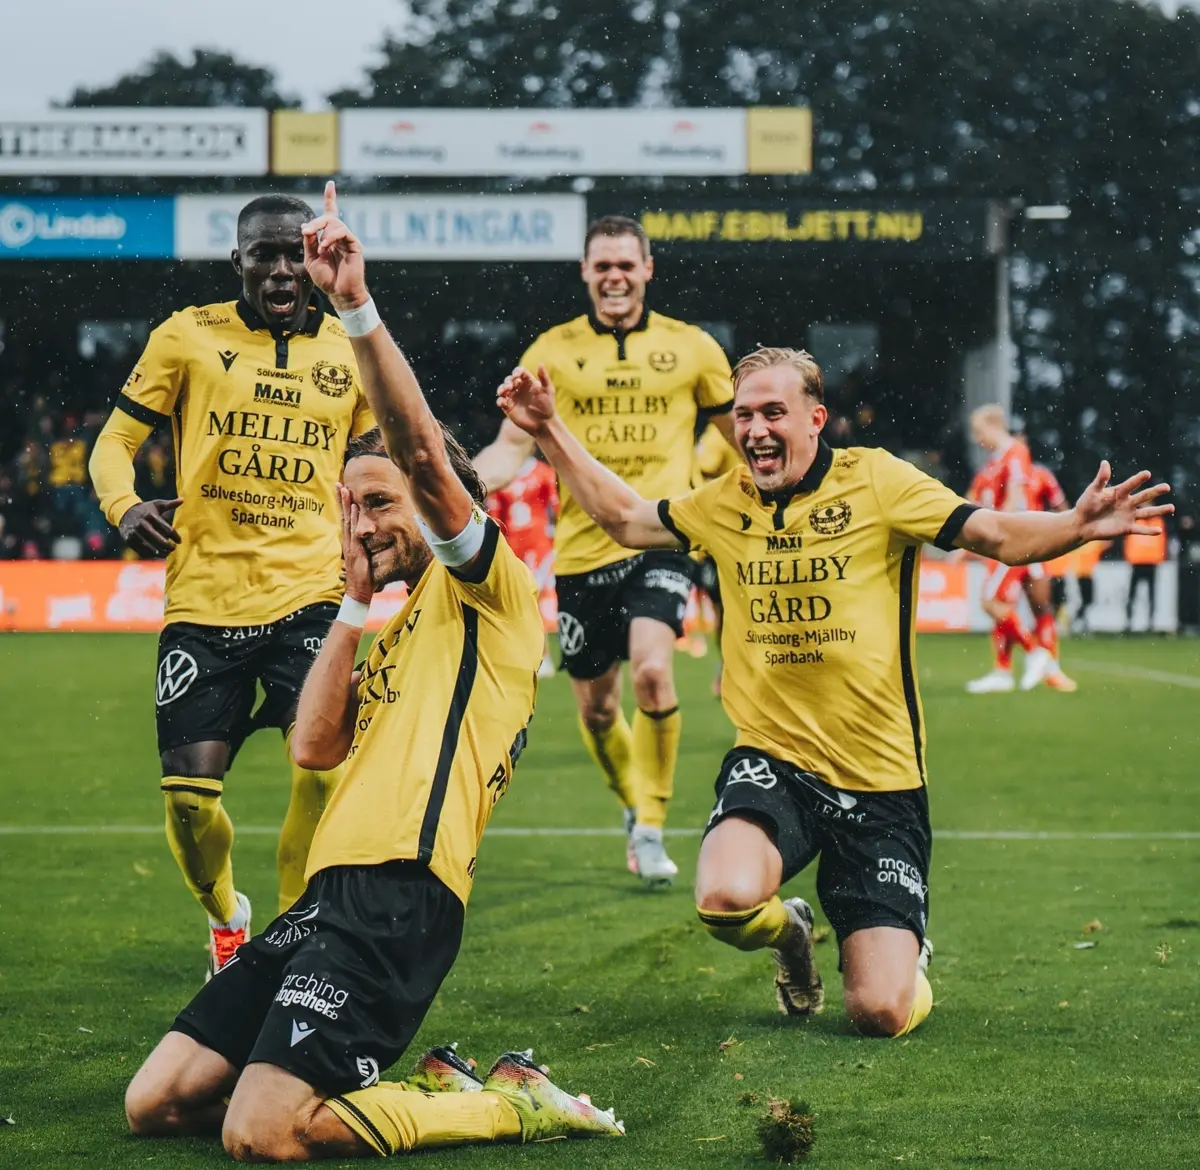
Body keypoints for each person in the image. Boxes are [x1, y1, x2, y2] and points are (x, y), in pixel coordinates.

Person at [123, 183, 623, 1162]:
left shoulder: (489, 593)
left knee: (260, 1136)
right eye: (351, 507)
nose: (364, 521)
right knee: (158, 1104)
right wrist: (351, 602)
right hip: (322, 900)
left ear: (440, 503)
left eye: (381, 501)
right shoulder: (389, 631)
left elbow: (426, 460)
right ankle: (425, 1082)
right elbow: (313, 746)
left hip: (400, 896)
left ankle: (506, 1102)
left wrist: (354, 307)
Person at [496, 347, 1170, 1037]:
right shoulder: (724, 501)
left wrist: (1076, 527)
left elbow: (991, 532)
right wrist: (549, 429)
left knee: (880, 1012)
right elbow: (625, 518)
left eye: (773, 413)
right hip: (774, 761)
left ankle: (905, 960)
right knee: (725, 901)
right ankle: (790, 934)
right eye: (744, 414)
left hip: (881, 783)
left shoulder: (879, 482)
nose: (754, 429)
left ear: (816, 419)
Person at [89, 194, 376, 976]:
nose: (280, 270)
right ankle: (227, 917)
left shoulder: (351, 349)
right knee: (188, 802)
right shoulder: (187, 334)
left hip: (311, 595)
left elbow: (380, 460)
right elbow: (114, 442)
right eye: (263, 255)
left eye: (293, 254)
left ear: (312, 264)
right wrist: (125, 505)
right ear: (238, 263)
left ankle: (286, 944)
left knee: (324, 769)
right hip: (204, 604)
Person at [474, 215, 736, 886]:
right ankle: (633, 806)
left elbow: (745, 436)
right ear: (586, 272)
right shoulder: (551, 352)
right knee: (596, 706)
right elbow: (512, 445)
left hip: (661, 535)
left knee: (653, 672)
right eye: (603, 265)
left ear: (648, 269)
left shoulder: (694, 349)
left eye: (627, 264)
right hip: (585, 551)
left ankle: (651, 825)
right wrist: (460, 485)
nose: (615, 276)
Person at [963, 409, 1068, 693]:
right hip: (1004, 543)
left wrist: (1000, 530)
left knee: (999, 602)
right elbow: (971, 502)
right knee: (999, 605)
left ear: (993, 426)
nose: (977, 439)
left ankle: (1039, 656)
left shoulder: (1016, 453)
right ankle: (1007, 669)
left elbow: (1018, 500)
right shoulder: (991, 465)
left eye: (979, 431)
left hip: (1015, 542)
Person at [485, 453, 558, 678]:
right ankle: (515, 656)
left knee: (531, 599)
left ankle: (544, 657)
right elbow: (496, 515)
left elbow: (556, 508)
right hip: (512, 544)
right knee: (511, 601)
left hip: (537, 545)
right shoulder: (503, 473)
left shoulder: (543, 472)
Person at [1124, 519, 1167, 631]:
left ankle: (1150, 623)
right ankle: (1128, 621)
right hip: (1137, 562)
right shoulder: (1138, 520)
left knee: (1150, 595)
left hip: (1151, 562)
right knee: (1132, 595)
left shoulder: (1157, 522)